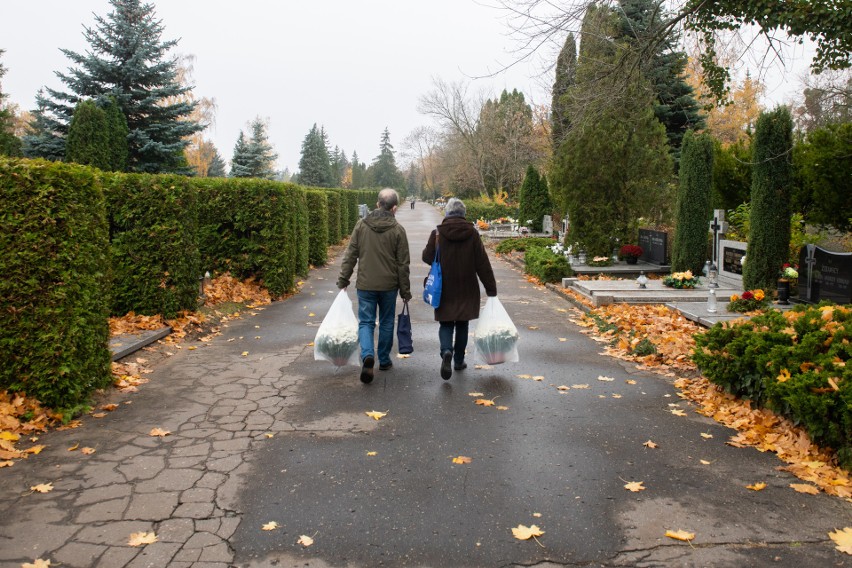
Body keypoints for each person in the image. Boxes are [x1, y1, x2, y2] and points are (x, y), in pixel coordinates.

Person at [338, 188, 412, 384]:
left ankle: (368, 355)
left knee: (366, 322)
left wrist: (343, 280)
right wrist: (405, 291)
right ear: (394, 208)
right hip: (389, 286)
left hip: (366, 284)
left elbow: (351, 255)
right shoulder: (398, 230)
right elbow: (403, 264)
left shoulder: (361, 226)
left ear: (378, 204)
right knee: (387, 321)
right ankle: (385, 360)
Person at [421, 197, 497, 380]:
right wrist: (491, 289)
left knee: (446, 323)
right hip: (466, 287)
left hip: (444, 287)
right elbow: (482, 263)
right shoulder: (472, 233)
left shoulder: (438, 233)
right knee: (462, 324)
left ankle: (446, 351)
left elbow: (426, 257)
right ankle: (458, 360)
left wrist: (439, 258)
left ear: (447, 213)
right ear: (463, 214)